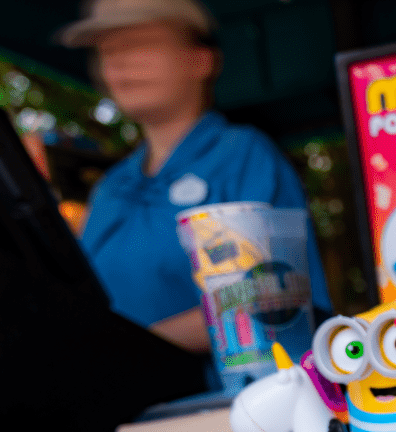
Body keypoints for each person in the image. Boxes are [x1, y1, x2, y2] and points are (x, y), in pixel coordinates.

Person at [58, 0, 333, 355]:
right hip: (129, 406)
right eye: (107, 49)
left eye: (141, 43)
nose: (119, 60)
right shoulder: (109, 189)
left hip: (233, 401)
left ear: (202, 61)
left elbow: (271, 295)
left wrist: (131, 352)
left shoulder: (243, 154)